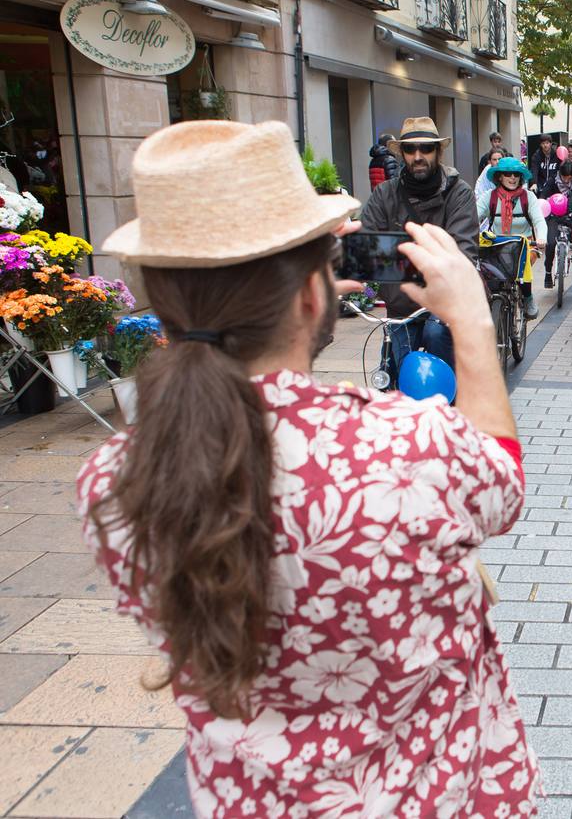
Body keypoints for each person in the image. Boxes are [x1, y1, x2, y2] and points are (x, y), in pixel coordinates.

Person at [81, 119, 538, 816]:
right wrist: (472, 321)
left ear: (163, 308)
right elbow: (501, 488)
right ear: (309, 296)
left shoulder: (117, 479)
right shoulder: (409, 445)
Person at [359, 117, 480, 375]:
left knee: (437, 336)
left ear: (438, 151)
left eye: (426, 148)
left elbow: (461, 254)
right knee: (393, 374)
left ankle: (453, 405)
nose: (417, 156)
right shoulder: (384, 194)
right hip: (400, 305)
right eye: (410, 149)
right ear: (401, 153)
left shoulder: (459, 193)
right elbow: (365, 248)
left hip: (444, 302)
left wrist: (394, 255)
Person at [478, 156, 547, 319]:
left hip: (525, 245)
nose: (512, 178)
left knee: (522, 268)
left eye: (516, 174)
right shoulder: (490, 196)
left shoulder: (528, 197)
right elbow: (472, 215)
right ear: (499, 176)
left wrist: (542, 237)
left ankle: (528, 297)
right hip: (497, 245)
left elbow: (539, 221)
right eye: (508, 174)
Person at [543, 159, 572, 288]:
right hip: (553, 216)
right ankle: (548, 273)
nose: (567, 180)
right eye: (565, 177)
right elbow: (543, 197)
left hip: (569, 215)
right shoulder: (552, 181)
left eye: (570, 178)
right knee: (551, 243)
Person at [528, 134, 561, 199]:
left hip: (554, 185)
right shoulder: (536, 156)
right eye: (543, 143)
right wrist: (534, 183)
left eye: (547, 143)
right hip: (541, 185)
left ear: (551, 144)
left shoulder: (557, 155)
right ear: (540, 144)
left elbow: (559, 170)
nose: (545, 145)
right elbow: (534, 170)